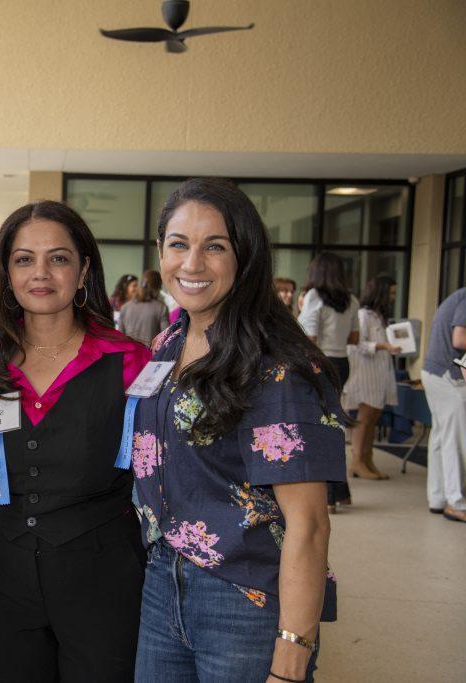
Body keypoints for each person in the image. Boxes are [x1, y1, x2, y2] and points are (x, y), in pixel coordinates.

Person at [132, 179, 345, 683]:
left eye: (215, 247)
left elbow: (309, 525)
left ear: (245, 256)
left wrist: (293, 654)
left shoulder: (276, 367)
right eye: (179, 244)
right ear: (160, 250)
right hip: (162, 581)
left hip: (244, 598)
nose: (192, 264)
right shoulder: (169, 341)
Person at [0, 201, 149, 681]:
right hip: (5, 577)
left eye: (59, 258)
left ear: (84, 268)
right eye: (24, 259)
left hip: (103, 577)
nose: (41, 273)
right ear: (6, 273)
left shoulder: (131, 362)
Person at [298, 252, 359, 512]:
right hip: (342, 364)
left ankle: (330, 496)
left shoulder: (314, 297)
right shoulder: (352, 300)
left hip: (319, 363)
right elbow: (354, 338)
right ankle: (341, 491)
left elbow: (309, 336)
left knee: (320, 428)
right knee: (333, 424)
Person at [343, 276, 400, 480]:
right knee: (364, 418)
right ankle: (357, 460)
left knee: (374, 417)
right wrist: (383, 346)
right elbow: (357, 344)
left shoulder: (379, 317)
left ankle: (367, 458)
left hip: (379, 372)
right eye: (391, 293)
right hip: (365, 373)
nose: (393, 298)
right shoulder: (363, 315)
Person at [420, 287, 466, 523]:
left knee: (440, 437)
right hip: (448, 375)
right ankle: (456, 503)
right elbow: (460, 339)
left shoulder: (460, 295)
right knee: (455, 439)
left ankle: (438, 498)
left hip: (434, 371)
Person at [118, 269, 170, 346]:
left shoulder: (125, 307)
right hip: (150, 356)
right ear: (158, 287)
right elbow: (166, 338)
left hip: (129, 355)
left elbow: (120, 338)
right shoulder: (161, 308)